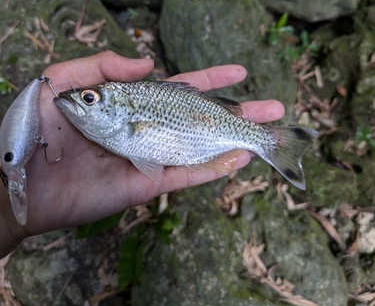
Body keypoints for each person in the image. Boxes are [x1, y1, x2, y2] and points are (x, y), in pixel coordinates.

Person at [0, 51, 285, 259]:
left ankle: (271, 141)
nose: (80, 100)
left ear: (125, 108)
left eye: (90, 98)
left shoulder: (129, 117)